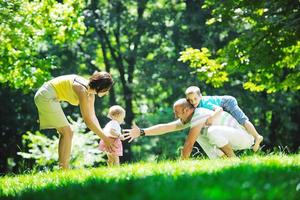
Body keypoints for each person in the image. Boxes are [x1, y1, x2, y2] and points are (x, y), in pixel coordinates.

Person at [34, 71, 116, 169]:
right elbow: (88, 121)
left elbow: (93, 117)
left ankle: (63, 169)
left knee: (67, 133)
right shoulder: (82, 90)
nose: (107, 93)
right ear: (100, 87)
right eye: (107, 90)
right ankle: (64, 170)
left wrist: (104, 136)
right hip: (45, 96)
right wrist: (104, 138)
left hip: (50, 96)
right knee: (67, 133)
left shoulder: (90, 95)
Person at [124, 98, 254, 159]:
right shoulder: (191, 117)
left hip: (244, 137)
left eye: (177, 112)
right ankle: (224, 161)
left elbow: (189, 144)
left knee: (209, 132)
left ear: (186, 110)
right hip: (231, 138)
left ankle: (233, 160)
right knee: (201, 134)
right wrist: (142, 132)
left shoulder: (199, 113)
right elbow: (166, 127)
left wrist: (182, 164)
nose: (175, 116)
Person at [185, 86, 263, 152]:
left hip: (228, 102)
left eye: (195, 99)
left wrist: (211, 118)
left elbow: (219, 109)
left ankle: (257, 136)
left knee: (242, 119)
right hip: (224, 103)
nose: (193, 102)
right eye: (190, 100)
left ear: (200, 96)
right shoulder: (196, 105)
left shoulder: (204, 102)